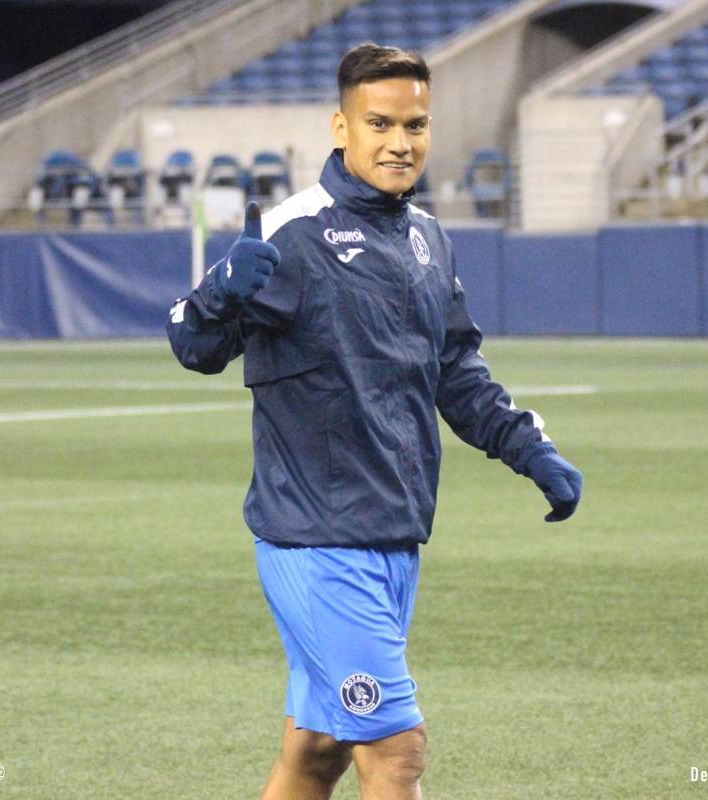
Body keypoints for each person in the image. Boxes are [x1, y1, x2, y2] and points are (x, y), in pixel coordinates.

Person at [166, 44, 583, 800]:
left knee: (319, 748)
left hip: (393, 533)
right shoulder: (292, 233)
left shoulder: (428, 238)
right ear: (342, 127)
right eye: (379, 123)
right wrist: (223, 291)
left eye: (415, 125)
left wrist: (530, 449)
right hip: (318, 540)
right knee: (395, 751)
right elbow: (194, 345)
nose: (400, 142)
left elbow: (456, 371)